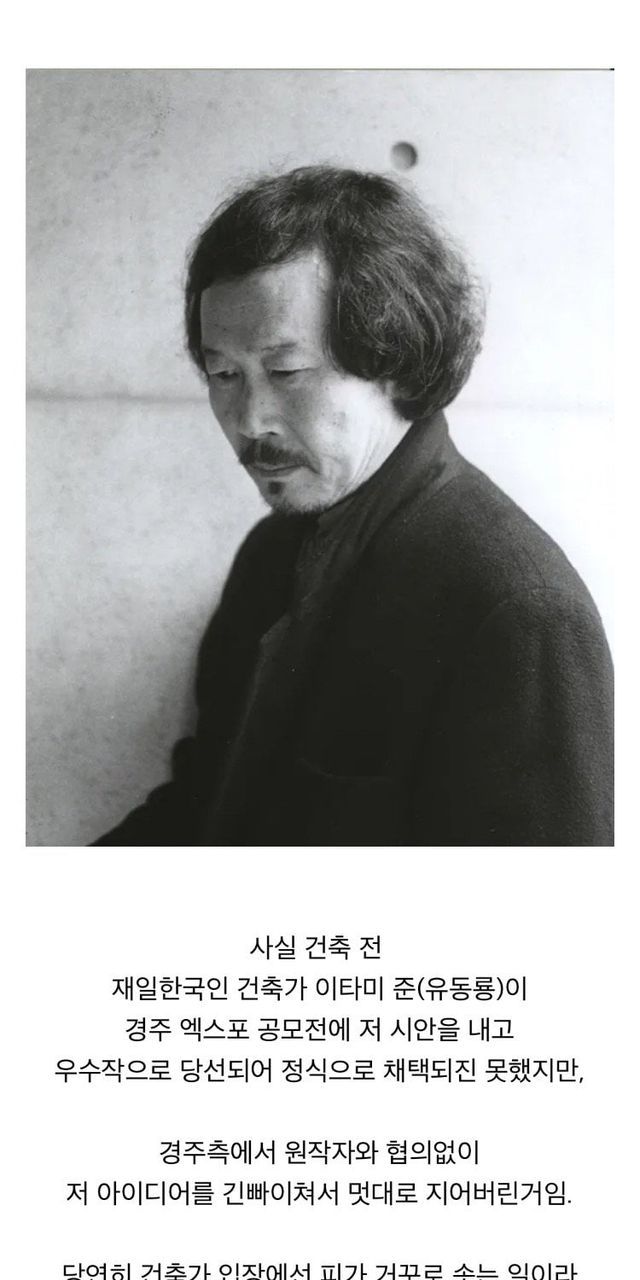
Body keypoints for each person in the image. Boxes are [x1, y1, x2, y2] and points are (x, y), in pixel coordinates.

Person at [93, 165, 613, 847]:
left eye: (286, 371)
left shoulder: (520, 609)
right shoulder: (268, 553)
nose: (249, 419)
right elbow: (203, 807)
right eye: (223, 374)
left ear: (392, 359)